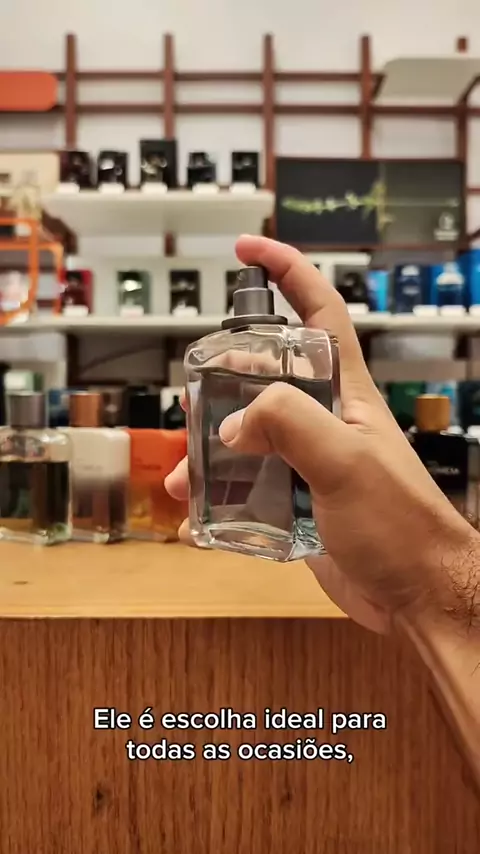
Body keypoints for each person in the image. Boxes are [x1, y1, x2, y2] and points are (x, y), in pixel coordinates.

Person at [165, 235, 480, 786]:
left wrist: (428, 586)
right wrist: (428, 594)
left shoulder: (289, 351)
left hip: (275, 532)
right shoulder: (208, 354)